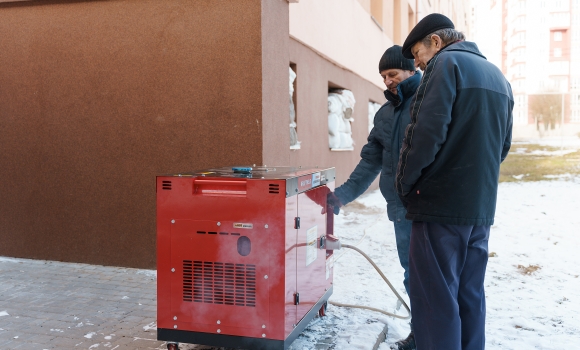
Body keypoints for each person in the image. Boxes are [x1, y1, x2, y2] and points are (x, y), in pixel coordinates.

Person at [396, 13, 513, 350]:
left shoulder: (445, 65)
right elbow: (502, 146)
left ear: (436, 41)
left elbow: (424, 135)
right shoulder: (498, 76)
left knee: (435, 300)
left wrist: (405, 184)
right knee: (469, 295)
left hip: (439, 208)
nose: (417, 64)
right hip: (479, 209)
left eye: (417, 54)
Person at [327, 45, 421, 350]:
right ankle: (421, 335)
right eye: (382, 76)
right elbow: (370, 162)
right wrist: (341, 196)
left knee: (435, 276)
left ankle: (440, 334)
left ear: (410, 69)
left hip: (428, 207)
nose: (388, 81)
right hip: (400, 210)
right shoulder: (385, 114)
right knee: (413, 275)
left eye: (392, 73)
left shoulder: (429, 100)